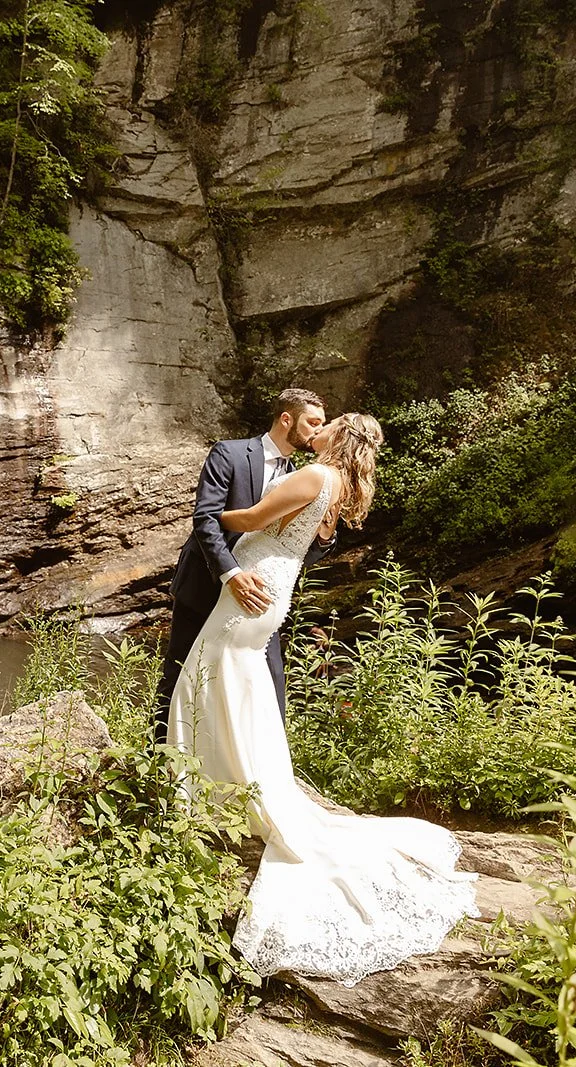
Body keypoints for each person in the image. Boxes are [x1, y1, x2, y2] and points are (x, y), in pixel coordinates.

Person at [168, 413, 478, 984]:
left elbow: (253, 518)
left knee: (211, 676)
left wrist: (212, 515)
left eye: (329, 424)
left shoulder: (314, 475)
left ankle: (210, 788)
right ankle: (233, 783)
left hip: (253, 583)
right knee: (236, 682)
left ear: (340, 436)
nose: (321, 428)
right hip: (274, 586)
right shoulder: (337, 487)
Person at [153, 388, 334, 746]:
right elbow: (205, 521)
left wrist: (324, 539)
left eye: (322, 424)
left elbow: (295, 549)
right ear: (287, 419)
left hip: (258, 598)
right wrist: (232, 575)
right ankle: (156, 769)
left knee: (270, 684)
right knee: (178, 677)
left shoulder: (305, 476)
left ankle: (257, 776)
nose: (318, 430)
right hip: (205, 584)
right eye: (313, 422)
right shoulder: (229, 452)